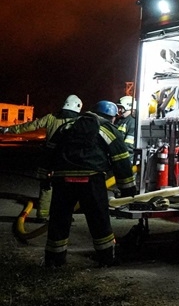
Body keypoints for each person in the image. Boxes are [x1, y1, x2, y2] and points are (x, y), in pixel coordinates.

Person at [44, 100, 137, 267]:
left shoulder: (68, 126)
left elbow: (49, 149)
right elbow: (120, 157)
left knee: (59, 219)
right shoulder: (107, 129)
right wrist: (127, 188)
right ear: (111, 117)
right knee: (99, 219)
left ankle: (54, 260)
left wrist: (43, 177)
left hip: (63, 179)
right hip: (91, 179)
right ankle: (106, 259)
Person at [0, 94, 84, 219]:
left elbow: (30, 125)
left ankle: (42, 215)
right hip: (67, 161)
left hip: (48, 159)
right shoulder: (79, 122)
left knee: (46, 187)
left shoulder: (51, 117)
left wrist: (7, 130)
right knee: (66, 189)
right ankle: (64, 215)